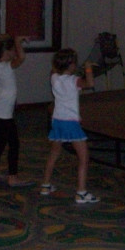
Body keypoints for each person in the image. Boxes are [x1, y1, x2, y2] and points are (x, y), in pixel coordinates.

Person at [40, 49, 99, 204]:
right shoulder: (74, 80)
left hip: (57, 120)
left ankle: (45, 185)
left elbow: (54, 69)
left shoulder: (54, 78)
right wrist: (88, 68)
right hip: (70, 122)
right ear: (72, 65)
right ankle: (81, 192)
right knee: (84, 158)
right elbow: (90, 83)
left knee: (54, 153)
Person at [0, 34, 34, 187]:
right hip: (2, 114)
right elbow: (22, 58)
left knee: (1, 142)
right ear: (6, 52)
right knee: (14, 144)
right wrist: (18, 41)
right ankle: (13, 177)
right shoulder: (5, 67)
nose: (15, 53)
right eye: (13, 50)